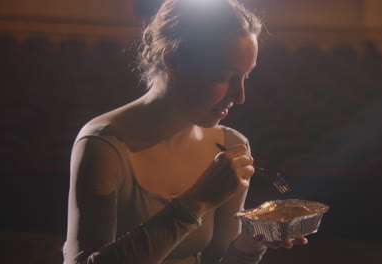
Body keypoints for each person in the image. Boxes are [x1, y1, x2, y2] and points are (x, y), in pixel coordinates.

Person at [63, 0, 307, 263]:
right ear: (173, 60)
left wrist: (249, 245)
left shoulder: (230, 144)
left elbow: (218, 259)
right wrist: (196, 201)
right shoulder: (104, 143)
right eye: (224, 76)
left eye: (245, 77)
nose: (240, 96)